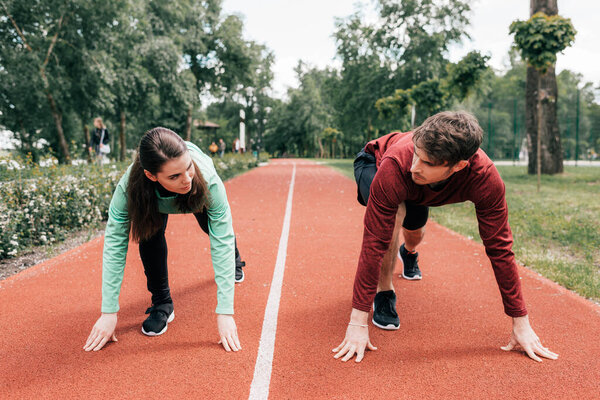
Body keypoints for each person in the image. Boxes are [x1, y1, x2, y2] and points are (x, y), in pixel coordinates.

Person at [333, 111, 558, 363]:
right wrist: (357, 321)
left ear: (459, 166)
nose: (414, 167)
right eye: (416, 154)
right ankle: (384, 291)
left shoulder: (484, 178)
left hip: (423, 188)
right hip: (374, 163)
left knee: (414, 231)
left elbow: (500, 247)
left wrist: (521, 322)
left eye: (427, 162)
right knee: (395, 216)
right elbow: (374, 242)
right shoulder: (400, 165)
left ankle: (409, 253)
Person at [84, 127, 246, 352]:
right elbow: (114, 246)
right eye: (174, 176)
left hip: (196, 199)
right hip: (152, 200)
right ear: (151, 175)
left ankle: (236, 260)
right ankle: (162, 303)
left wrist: (225, 312)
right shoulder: (128, 190)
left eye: (188, 168)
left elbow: (222, 238)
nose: (186, 179)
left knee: (211, 228)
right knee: (149, 234)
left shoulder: (205, 181)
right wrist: (108, 312)